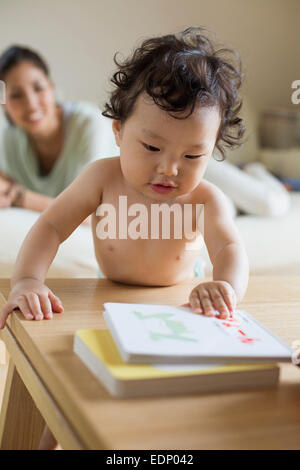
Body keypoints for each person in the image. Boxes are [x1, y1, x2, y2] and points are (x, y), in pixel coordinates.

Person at [0, 27, 249, 448]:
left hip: (178, 308)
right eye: (151, 148)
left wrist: (226, 286)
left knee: (179, 402)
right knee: (69, 388)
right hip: (105, 299)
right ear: (118, 132)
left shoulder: (206, 199)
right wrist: (27, 280)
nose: (170, 169)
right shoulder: (101, 177)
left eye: (192, 156)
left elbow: (231, 247)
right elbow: (50, 226)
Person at [0, 45, 117, 211]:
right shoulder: (9, 139)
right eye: (16, 95)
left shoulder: (89, 124)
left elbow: (91, 214)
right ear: (4, 104)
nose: (31, 105)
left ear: (51, 87)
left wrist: (19, 196)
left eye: (38, 88)